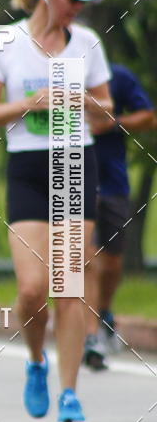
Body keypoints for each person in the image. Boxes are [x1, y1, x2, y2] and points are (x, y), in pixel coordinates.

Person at [0, 0, 112, 422]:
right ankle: (36, 361)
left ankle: (69, 393)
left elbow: (107, 114)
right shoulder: (4, 43)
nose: (77, 7)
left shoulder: (88, 43)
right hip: (28, 169)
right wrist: (31, 102)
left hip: (75, 162)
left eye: (81, 0)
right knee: (33, 289)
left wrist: (84, 100)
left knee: (69, 285)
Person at [83, 64, 154, 369]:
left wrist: (114, 124)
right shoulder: (56, 76)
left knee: (112, 262)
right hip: (72, 179)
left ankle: (104, 313)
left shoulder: (117, 77)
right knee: (85, 259)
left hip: (112, 182)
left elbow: (148, 117)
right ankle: (90, 335)